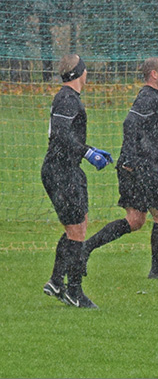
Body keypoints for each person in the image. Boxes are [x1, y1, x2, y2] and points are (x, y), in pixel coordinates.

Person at [84, 57, 158, 279]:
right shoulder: (148, 98)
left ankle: (85, 248)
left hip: (136, 165)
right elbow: (130, 124)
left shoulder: (150, 97)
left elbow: (145, 133)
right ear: (154, 75)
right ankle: (157, 270)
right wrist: (131, 160)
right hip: (141, 168)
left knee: (135, 220)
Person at [41, 54, 113, 309]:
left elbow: (66, 137)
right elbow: (60, 135)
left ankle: (56, 282)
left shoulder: (68, 99)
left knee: (78, 226)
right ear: (81, 73)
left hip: (66, 169)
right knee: (76, 231)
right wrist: (86, 152)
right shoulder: (67, 99)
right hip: (60, 171)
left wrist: (90, 149)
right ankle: (73, 291)